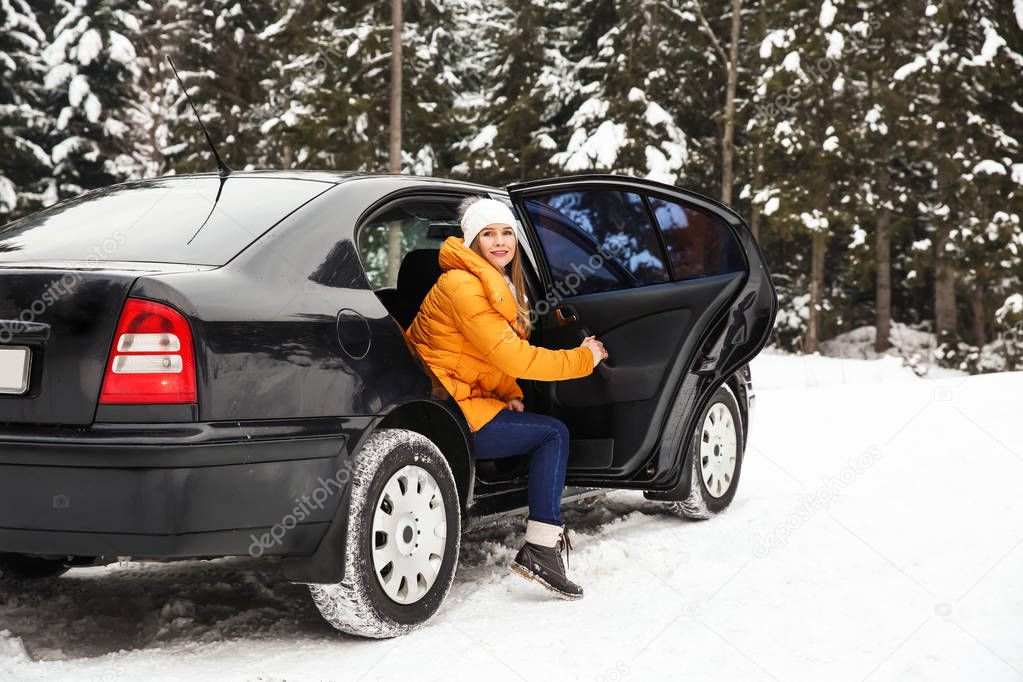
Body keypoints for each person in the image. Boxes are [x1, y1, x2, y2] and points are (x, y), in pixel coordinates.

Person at [406, 196, 608, 600]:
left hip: (456, 402)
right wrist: (584, 357)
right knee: (554, 434)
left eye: (506, 233)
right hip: (452, 417)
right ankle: (542, 548)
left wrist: (509, 395)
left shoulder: (487, 281)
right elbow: (513, 356)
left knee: (540, 426)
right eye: (488, 233)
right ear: (472, 239)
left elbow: (484, 359)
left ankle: (541, 545)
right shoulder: (463, 286)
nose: (499, 242)